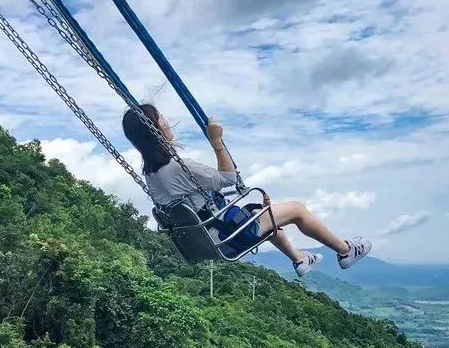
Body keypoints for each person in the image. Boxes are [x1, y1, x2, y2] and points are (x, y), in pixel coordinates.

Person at [122, 104, 372, 277]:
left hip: (206, 240)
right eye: (161, 116)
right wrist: (217, 142)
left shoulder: (151, 174)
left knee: (265, 215)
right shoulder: (177, 167)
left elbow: (197, 200)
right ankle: (345, 250)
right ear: (154, 127)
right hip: (227, 236)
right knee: (297, 210)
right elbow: (228, 177)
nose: (166, 119)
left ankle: (300, 259)